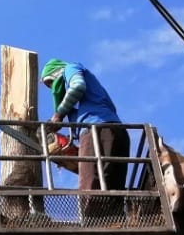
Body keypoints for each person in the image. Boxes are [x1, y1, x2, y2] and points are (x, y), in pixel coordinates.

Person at [41, 59, 130, 223]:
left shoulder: (70, 68)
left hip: (98, 131)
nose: (53, 88)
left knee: (89, 189)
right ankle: (114, 226)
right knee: (111, 188)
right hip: (116, 133)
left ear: (56, 72)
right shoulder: (87, 103)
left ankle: (91, 228)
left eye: (51, 83)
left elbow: (77, 86)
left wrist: (58, 114)